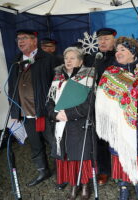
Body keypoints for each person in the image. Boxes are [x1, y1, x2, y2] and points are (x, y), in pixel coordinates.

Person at [95, 36, 138, 200]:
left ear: (132, 52)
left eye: (122, 49)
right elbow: (102, 99)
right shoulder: (110, 73)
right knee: (121, 153)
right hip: (121, 123)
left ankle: (137, 182)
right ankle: (123, 185)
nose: (118, 53)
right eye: (117, 51)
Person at [46, 47, 96, 200]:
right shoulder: (57, 78)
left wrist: (68, 114)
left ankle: (85, 185)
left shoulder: (89, 77)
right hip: (61, 125)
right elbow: (49, 102)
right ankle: (73, 184)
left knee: (82, 156)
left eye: (72, 58)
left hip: (80, 124)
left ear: (81, 61)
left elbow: (90, 104)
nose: (68, 61)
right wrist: (54, 115)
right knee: (67, 156)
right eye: (66, 58)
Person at [8, 29, 55, 187]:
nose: (20, 41)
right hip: (27, 113)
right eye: (18, 39)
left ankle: (64, 174)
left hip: (46, 112)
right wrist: (15, 111)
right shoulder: (16, 61)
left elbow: (57, 86)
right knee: (35, 145)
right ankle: (43, 171)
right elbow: (12, 86)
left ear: (34, 41)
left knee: (56, 144)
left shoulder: (48, 59)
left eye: (24, 38)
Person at [90, 27, 117, 185]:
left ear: (113, 40)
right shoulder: (93, 58)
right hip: (98, 105)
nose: (102, 42)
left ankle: (121, 169)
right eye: (100, 39)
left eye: (106, 39)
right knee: (100, 139)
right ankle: (104, 171)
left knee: (117, 138)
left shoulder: (120, 56)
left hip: (116, 105)